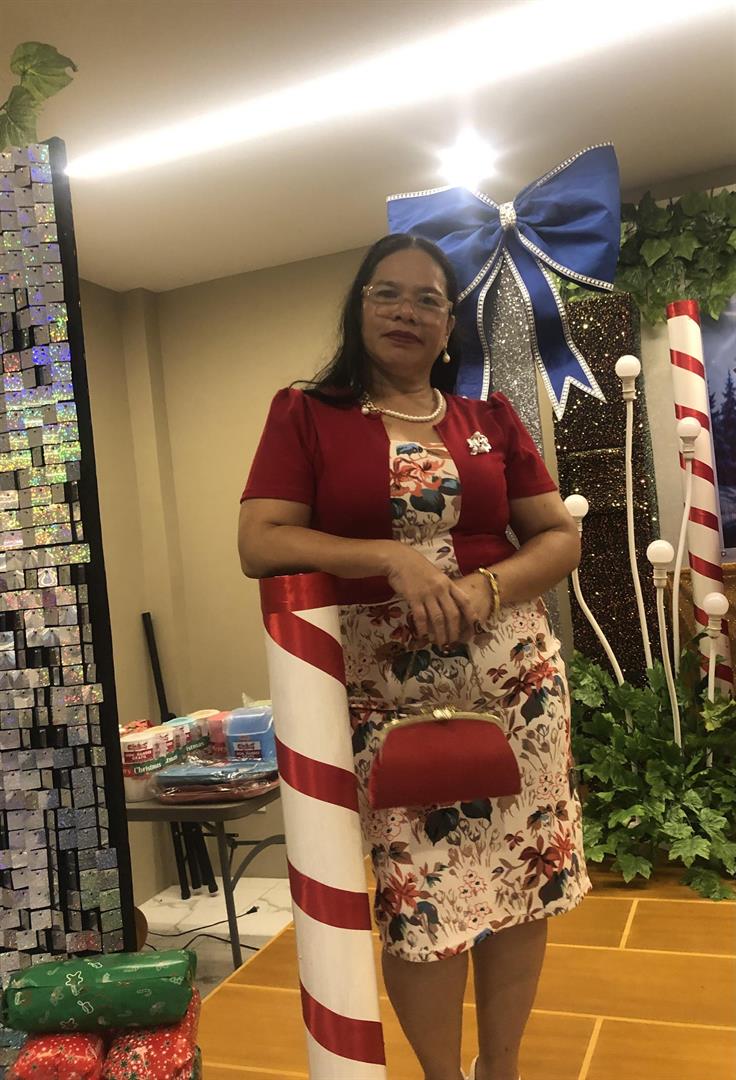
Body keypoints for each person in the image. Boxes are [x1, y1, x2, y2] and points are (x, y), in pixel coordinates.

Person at [238, 233, 591, 1080]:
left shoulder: (490, 419)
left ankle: (500, 1067)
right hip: (382, 696)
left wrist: (488, 587)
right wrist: (389, 558)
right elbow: (261, 540)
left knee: (525, 879)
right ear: (358, 308)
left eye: (428, 298)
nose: (406, 311)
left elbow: (557, 537)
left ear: (449, 323)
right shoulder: (306, 413)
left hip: (514, 683)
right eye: (386, 293)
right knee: (418, 894)